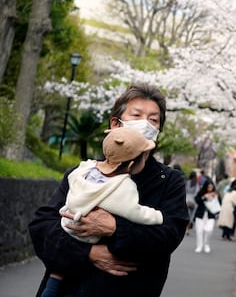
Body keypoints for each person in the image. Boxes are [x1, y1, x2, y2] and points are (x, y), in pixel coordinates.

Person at [29, 83, 189, 297]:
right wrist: (87, 253)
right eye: (137, 115)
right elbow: (43, 226)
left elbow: (169, 235)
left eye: (153, 120)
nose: (146, 124)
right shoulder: (83, 172)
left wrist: (116, 229)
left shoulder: (169, 181)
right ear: (115, 124)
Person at [41, 128, 164, 297]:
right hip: (85, 235)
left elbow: (71, 178)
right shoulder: (122, 186)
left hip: (67, 225)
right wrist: (157, 216)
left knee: (57, 274)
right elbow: (134, 212)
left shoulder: (86, 169)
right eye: (144, 156)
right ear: (130, 165)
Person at [193, 180, 220, 253]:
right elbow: (196, 200)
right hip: (200, 215)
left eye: (211, 187)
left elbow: (219, 204)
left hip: (210, 216)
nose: (210, 188)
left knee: (209, 230)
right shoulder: (202, 193)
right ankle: (199, 246)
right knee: (199, 231)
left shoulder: (215, 194)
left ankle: (206, 244)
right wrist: (204, 197)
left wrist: (215, 197)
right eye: (208, 187)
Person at [185, 170, 200, 234]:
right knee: (191, 216)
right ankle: (188, 229)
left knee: (187, 215)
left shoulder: (187, 182)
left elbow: (184, 191)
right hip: (193, 201)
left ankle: (185, 229)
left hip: (186, 200)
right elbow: (197, 193)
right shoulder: (196, 184)